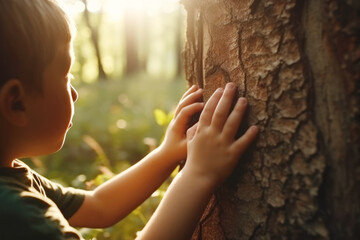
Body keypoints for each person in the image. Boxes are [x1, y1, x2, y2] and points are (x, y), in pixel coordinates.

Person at [0, 0, 259, 239]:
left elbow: (98, 206)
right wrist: (199, 175)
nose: (75, 93)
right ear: (17, 102)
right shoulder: (19, 214)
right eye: (67, 76)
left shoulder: (13, 178)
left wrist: (167, 153)